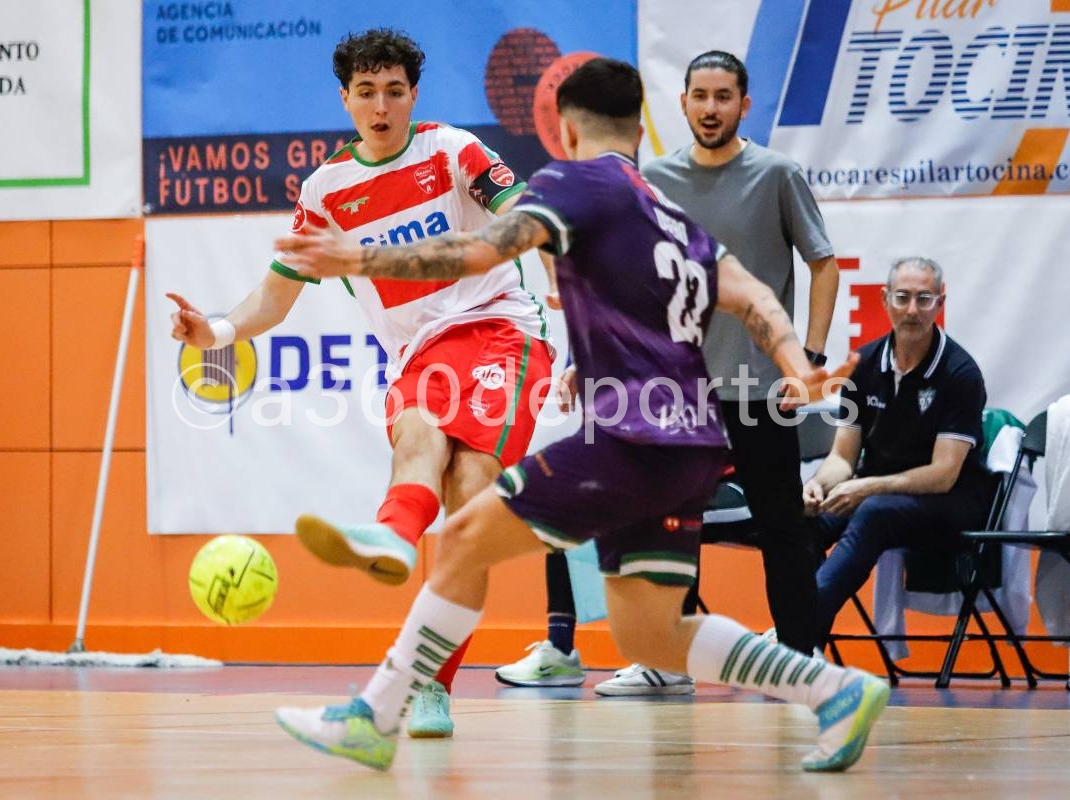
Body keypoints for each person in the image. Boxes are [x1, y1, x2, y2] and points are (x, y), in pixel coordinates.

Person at [270, 57, 888, 774]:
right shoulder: (668, 212)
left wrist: (360, 257)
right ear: (641, 126)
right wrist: (797, 364)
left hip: (631, 436)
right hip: (691, 442)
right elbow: (751, 295)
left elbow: (477, 251)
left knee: (466, 536)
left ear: (563, 129)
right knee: (651, 632)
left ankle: (373, 716)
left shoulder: (572, 183)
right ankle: (834, 688)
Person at [166, 28, 553, 739]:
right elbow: (275, 298)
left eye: (395, 91)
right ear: (345, 99)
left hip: (500, 328)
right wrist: (215, 332)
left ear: (414, 96)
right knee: (415, 438)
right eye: (367, 92)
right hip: (417, 356)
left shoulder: (454, 150)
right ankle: (395, 541)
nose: (382, 106)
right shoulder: (325, 190)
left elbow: (530, 223)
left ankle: (429, 682)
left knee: (468, 495)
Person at [503, 49, 842, 695]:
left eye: (723, 96)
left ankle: (803, 664)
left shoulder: (776, 174)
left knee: (781, 529)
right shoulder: (649, 179)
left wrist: (811, 361)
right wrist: (578, 358)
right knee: (663, 526)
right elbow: (611, 280)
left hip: (756, 391)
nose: (710, 108)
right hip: (672, 392)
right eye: (699, 96)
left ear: (744, 104)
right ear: (681, 104)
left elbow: (822, 263)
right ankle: (664, 662)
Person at [803, 257, 991, 648]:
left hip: (952, 502)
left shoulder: (960, 374)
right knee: (804, 521)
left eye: (924, 299)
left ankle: (793, 632)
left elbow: (943, 474)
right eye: (902, 298)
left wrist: (868, 488)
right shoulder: (863, 364)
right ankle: (809, 645)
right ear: (885, 300)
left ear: (940, 303)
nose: (912, 310)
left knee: (873, 512)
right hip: (880, 492)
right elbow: (842, 458)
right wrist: (817, 486)